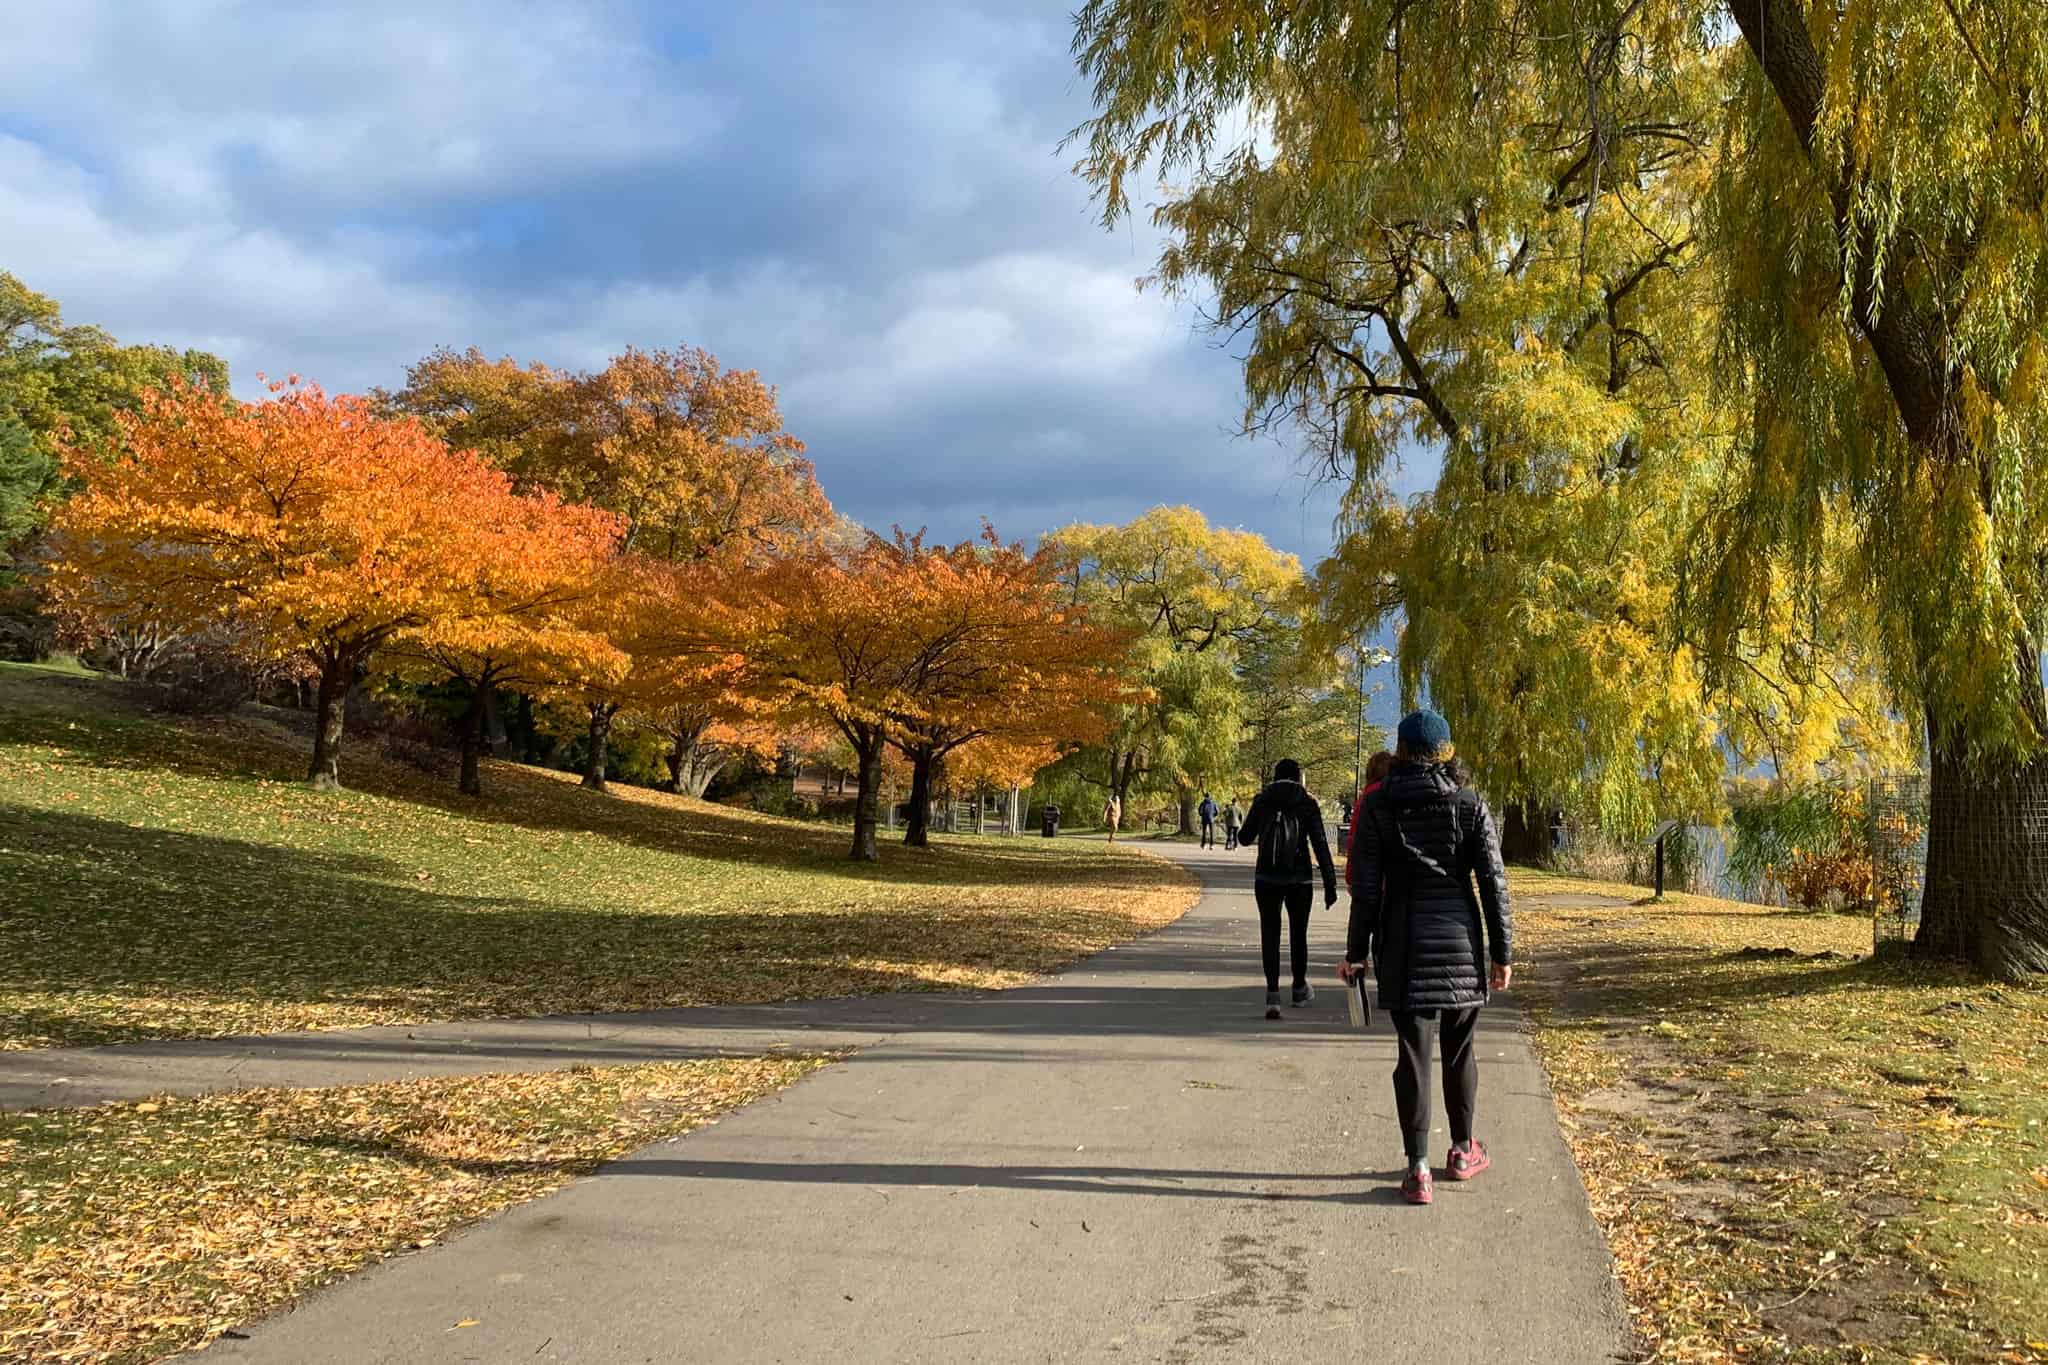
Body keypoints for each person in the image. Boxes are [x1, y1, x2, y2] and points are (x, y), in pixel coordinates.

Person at [1341, 710, 1512, 1206]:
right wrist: (1501, 952)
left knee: (1412, 1057)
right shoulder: (1469, 804)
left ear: (1399, 752)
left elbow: (1367, 889)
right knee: (1460, 1050)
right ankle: (1462, 1150)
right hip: (1459, 942)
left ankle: (1417, 1169)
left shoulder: (1379, 806)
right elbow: (1493, 885)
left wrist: (1356, 954)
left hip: (1401, 943)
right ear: (1446, 752)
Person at [1235, 758, 1338, 1020]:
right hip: (1299, 878)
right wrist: (1330, 882)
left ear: (1275, 776)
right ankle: (1299, 987)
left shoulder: (1263, 800)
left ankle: (1272, 995)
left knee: (1269, 933)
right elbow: (1320, 844)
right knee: (1298, 933)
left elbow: (1244, 837)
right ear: (1298, 777)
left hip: (1266, 877)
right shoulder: (1307, 803)